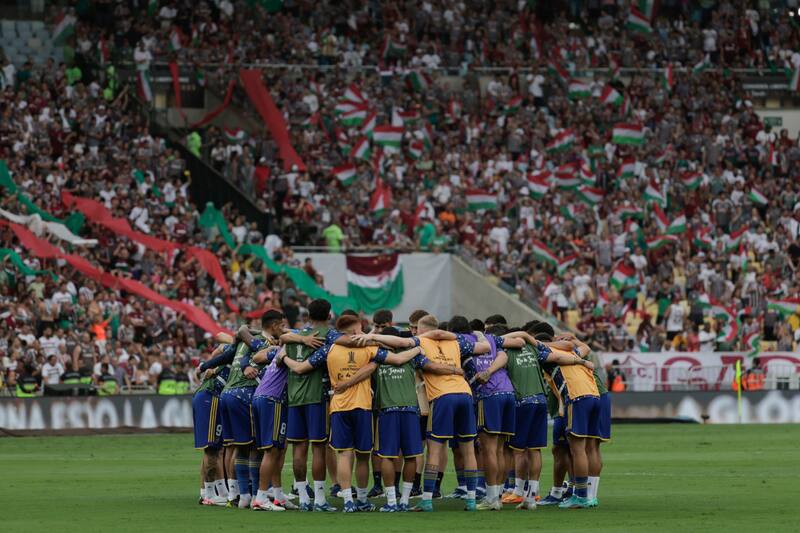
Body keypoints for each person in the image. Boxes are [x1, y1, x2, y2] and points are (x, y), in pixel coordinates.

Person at [353, 314, 492, 512]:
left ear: (422, 329)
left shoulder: (421, 342)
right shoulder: (456, 341)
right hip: (465, 393)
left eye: (416, 329)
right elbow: (485, 348)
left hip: (443, 397)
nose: (414, 332)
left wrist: (371, 337)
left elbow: (401, 342)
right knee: (468, 449)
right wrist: (480, 334)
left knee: (434, 450)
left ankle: (426, 499)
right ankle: (471, 500)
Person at [330, 325, 467, 512]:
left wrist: (345, 383)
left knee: (387, 457)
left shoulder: (376, 355)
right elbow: (432, 367)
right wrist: (454, 370)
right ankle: (404, 501)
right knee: (411, 456)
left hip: (387, 411)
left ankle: (392, 502)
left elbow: (365, 370)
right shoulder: (413, 355)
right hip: (410, 410)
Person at [193, 339, 233, 507]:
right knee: (212, 449)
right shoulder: (237, 351)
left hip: (211, 398)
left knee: (216, 449)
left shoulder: (232, 355)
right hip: (210, 397)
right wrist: (206, 366)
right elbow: (220, 346)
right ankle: (209, 494)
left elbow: (219, 348)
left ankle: (220, 492)